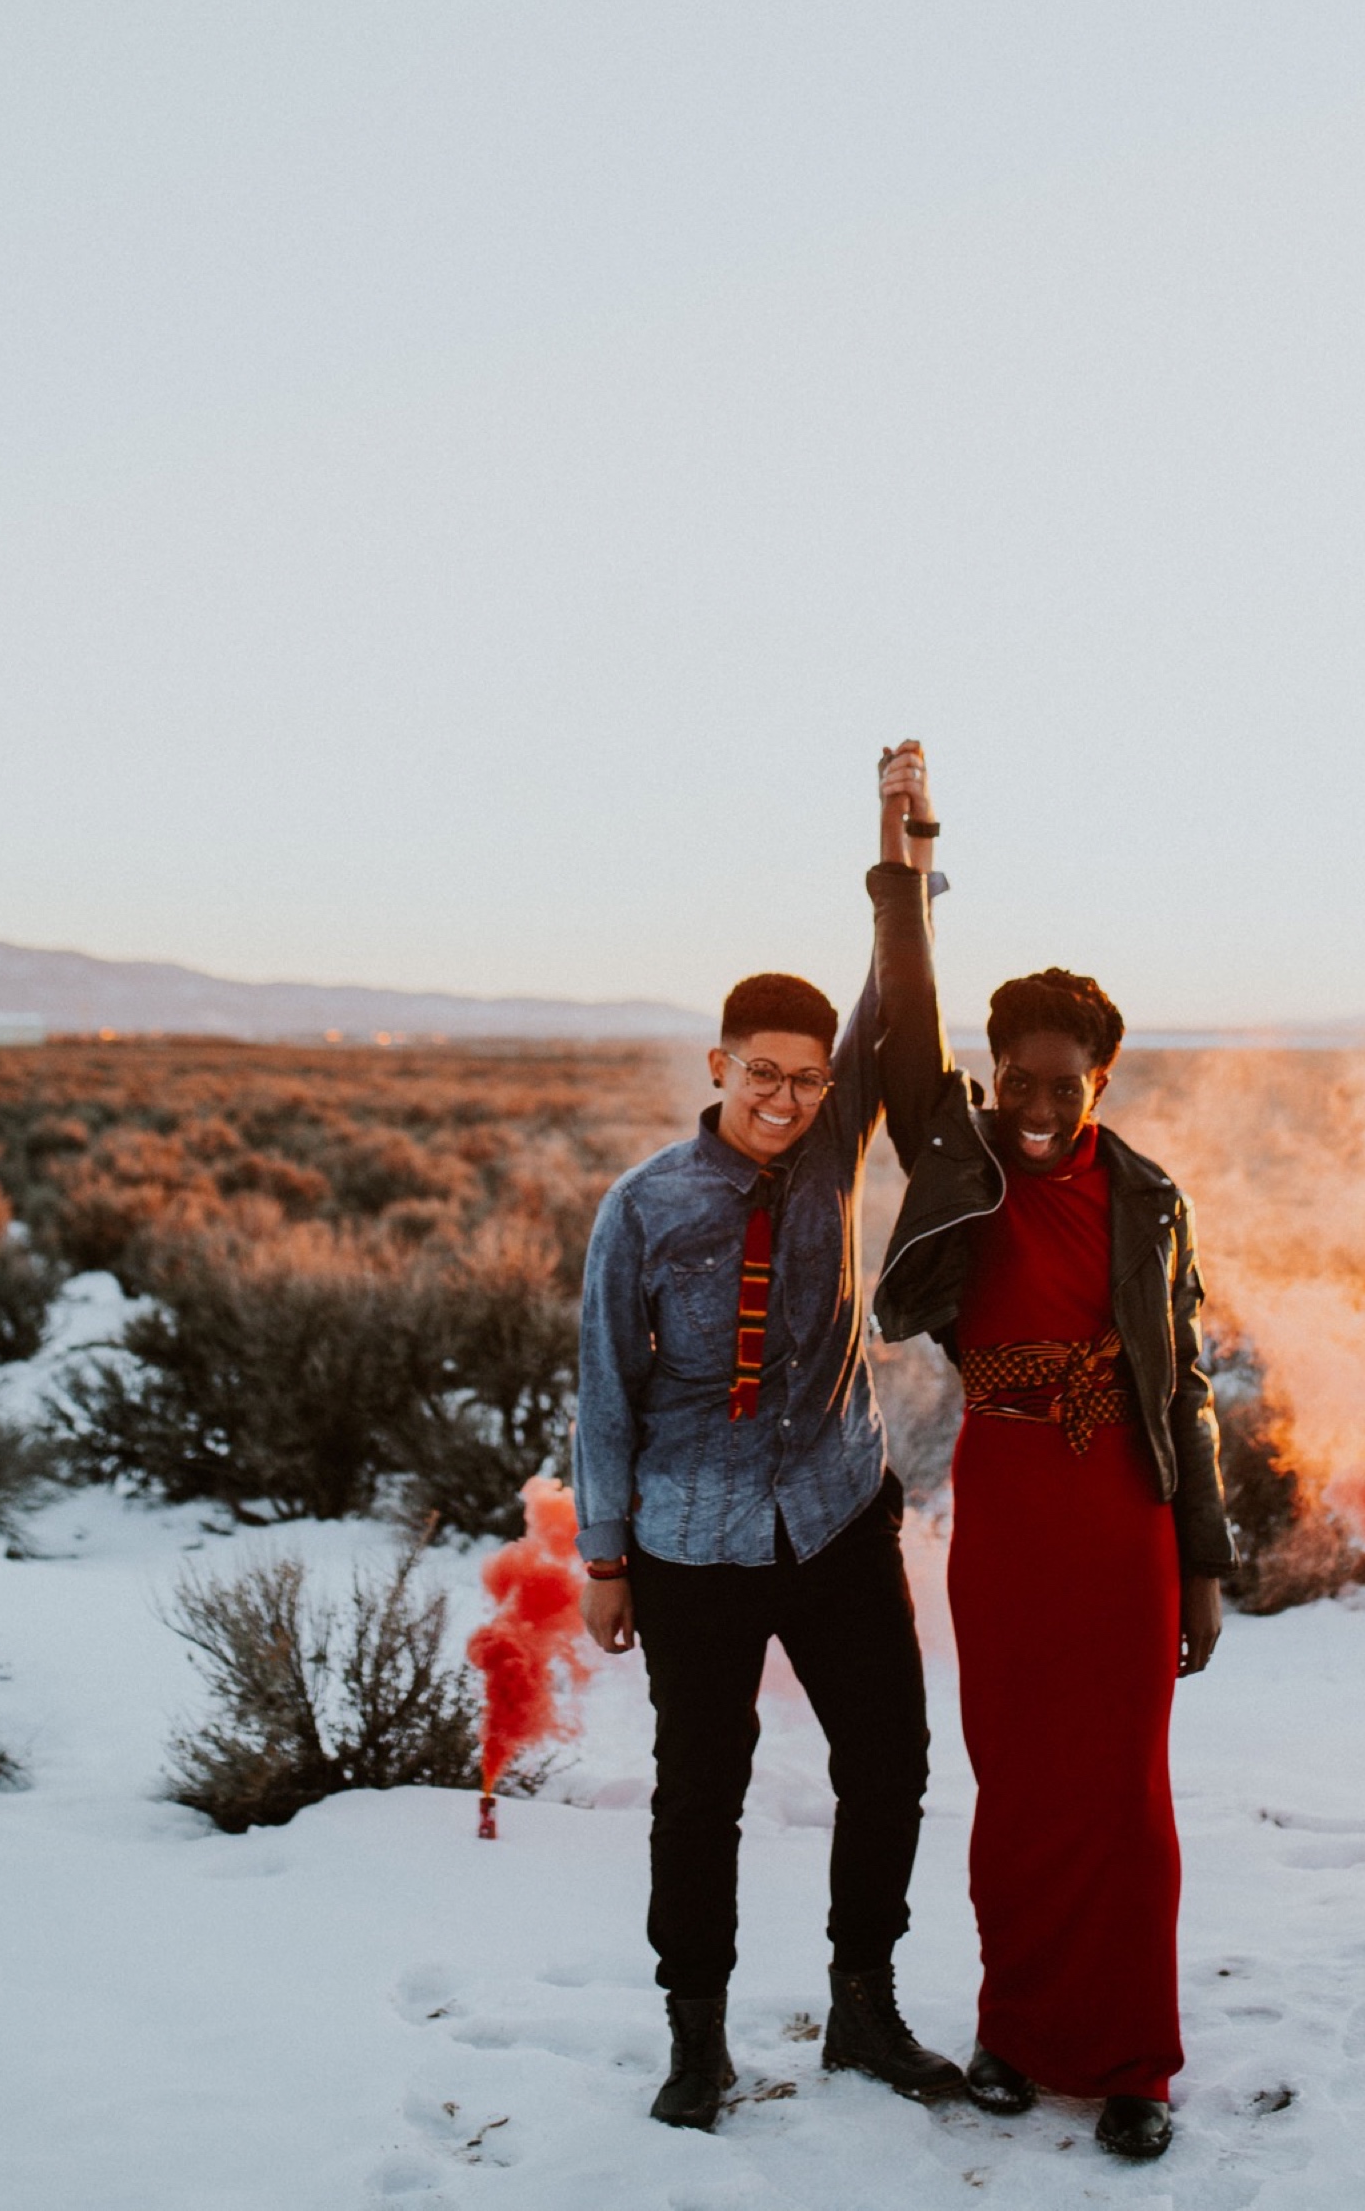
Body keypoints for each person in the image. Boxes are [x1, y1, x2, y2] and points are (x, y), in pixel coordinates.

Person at [573, 743, 965, 2134]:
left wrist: (898, 840)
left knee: (894, 1758)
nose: (788, 1099)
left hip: (837, 1507)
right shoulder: (646, 1206)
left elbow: (896, 993)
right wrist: (605, 1557)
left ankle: (864, 2002)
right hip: (690, 1535)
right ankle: (697, 2034)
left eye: (807, 1077)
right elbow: (605, 1393)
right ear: (719, 1063)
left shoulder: (840, 1138)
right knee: (703, 1786)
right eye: (764, 1075)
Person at [872, 761, 1234, 2166]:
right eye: (1014, 1075)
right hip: (1010, 1504)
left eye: (1060, 1082)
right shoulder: (958, 1157)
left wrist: (1202, 1560)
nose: (1033, 1102)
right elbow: (905, 1027)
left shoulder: (1148, 1200)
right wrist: (903, 859)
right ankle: (1016, 2034)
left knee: (1127, 1795)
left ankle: (1136, 2059)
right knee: (1017, 1781)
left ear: (1102, 1078)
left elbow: (1184, 1380)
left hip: (1123, 1519)